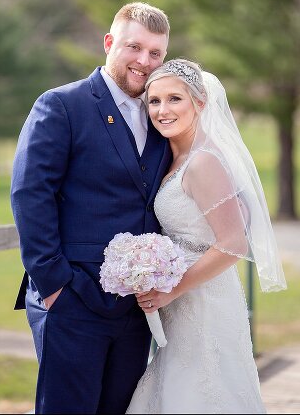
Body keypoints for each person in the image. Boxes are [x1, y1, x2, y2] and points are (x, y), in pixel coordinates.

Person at [11, 2, 172, 413]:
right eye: (134, 47)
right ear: (108, 43)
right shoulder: (62, 105)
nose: (144, 61)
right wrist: (54, 287)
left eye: (156, 53)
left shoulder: (162, 114)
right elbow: (31, 194)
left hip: (135, 307)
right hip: (72, 298)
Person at [126, 58, 286, 414]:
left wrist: (171, 288)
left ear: (199, 103)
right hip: (183, 300)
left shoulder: (203, 162)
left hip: (203, 301)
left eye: (174, 99)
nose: (162, 110)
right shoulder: (171, 156)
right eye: (154, 101)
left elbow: (233, 244)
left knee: (203, 391)